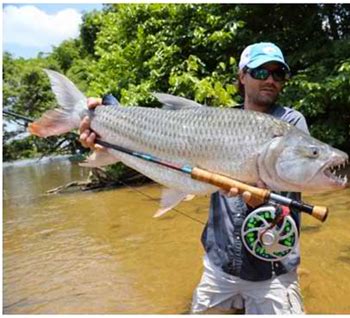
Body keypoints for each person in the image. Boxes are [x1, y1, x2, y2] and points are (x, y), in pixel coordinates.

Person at [79, 42, 309, 314]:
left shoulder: (290, 123)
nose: (270, 80)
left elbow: (295, 177)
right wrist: (104, 131)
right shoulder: (217, 119)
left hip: (272, 268)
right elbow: (159, 147)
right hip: (220, 264)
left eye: (278, 74)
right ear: (242, 77)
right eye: (261, 72)